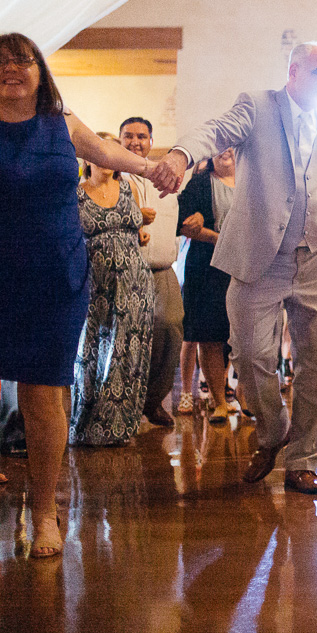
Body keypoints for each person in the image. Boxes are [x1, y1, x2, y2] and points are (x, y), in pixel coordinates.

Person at [0, 33, 157, 562]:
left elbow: (108, 152)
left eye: (21, 59)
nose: (11, 68)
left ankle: (45, 509)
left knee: (43, 391)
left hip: (53, 275)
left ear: (39, 70)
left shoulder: (62, 122)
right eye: (0, 60)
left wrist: (152, 167)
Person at [149, 41, 317, 499]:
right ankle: (273, 431)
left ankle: (303, 461)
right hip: (259, 259)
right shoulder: (258, 106)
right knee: (249, 356)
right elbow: (216, 130)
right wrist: (180, 155)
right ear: (293, 72)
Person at [71, 135, 156, 446]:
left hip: (135, 283)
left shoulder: (127, 188)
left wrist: (140, 234)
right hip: (95, 283)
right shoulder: (76, 194)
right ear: (87, 159)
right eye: (100, 154)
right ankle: (86, 425)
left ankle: (119, 426)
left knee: (128, 352)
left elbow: (136, 229)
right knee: (91, 352)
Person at [118, 117, 182, 428]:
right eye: (128, 136)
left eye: (141, 136)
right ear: (119, 141)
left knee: (169, 327)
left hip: (161, 268)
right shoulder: (111, 176)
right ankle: (121, 404)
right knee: (124, 337)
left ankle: (153, 401)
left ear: (151, 142)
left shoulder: (165, 178)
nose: (135, 142)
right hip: (122, 270)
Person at [177, 149, 236, 421]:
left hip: (246, 266)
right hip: (207, 268)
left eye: (233, 145)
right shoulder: (201, 183)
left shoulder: (251, 180)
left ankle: (244, 393)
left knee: (245, 335)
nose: (227, 151)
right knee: (211, 335)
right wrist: (219, 239)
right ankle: (220, 401)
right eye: (221, 146)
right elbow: (186, 225)